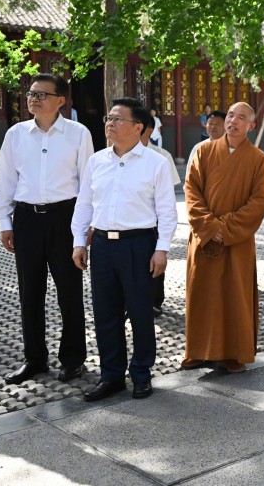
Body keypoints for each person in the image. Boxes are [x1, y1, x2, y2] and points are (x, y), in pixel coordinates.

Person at [71, 97, 178, 401]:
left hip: (139, 245)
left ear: (138, 127)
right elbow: (84, 206)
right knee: (106, 314)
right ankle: (112, 375)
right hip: (103, 245)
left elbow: (167, 212)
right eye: (109, 118)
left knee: (142, 313)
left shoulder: (155, 163)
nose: (110, 123)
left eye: (118, 119)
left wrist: (162, 249)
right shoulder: (97, 161)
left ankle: (142, 374)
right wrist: (80, 242)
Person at [0, 73, 94, 384]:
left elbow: (88, 185)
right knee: (30, 294)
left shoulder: (78, 134)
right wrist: (5, 222)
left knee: (69, 293)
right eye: (31, 93)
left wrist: (83, 230)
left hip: (64, 218)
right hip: (26, 221)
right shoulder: (15, 134)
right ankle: (35, 359)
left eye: (41, 94)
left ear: (60, 101)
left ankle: (73, 359)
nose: (33, 99)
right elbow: (6, 181)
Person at [183, 102, 264, 374]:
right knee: (202, 293)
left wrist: (226, 228)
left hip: (237, 241)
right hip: (205, 237)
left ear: (251, 126)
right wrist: (209, 226)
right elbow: (191, 191)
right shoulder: (204, 151)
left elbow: (258, 202)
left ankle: (234, 352)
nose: (233, 120)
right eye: (231, 115)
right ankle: (197, 350)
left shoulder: (258, 159)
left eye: (241, 117)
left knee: (235, 296)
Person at [141, 111, 181, 317]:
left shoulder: (161, 156)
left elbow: (168, 195)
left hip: (154, 220)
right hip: (128, 223)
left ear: (148, 130)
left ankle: (155, 301)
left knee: (154, 262)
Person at [186, 110, 226, 178]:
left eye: (217, 124)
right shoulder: (199, 147)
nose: (213, 127)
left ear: (226, 126)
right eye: (210, 123)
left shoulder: (232, 146)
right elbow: (190, 172)